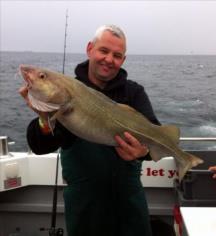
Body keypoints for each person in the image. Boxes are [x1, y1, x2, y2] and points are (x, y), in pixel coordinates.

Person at [19, 25, 160, 236]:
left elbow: (155, 138)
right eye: (103, 51)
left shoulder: (134, 93)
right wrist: (44, 119)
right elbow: (40, 146)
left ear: (123, 60)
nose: (109, 59)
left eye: (117, 55)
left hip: (129, 203)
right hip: (85, 206)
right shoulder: (66, 92)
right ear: (90, 49)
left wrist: (142, 152)